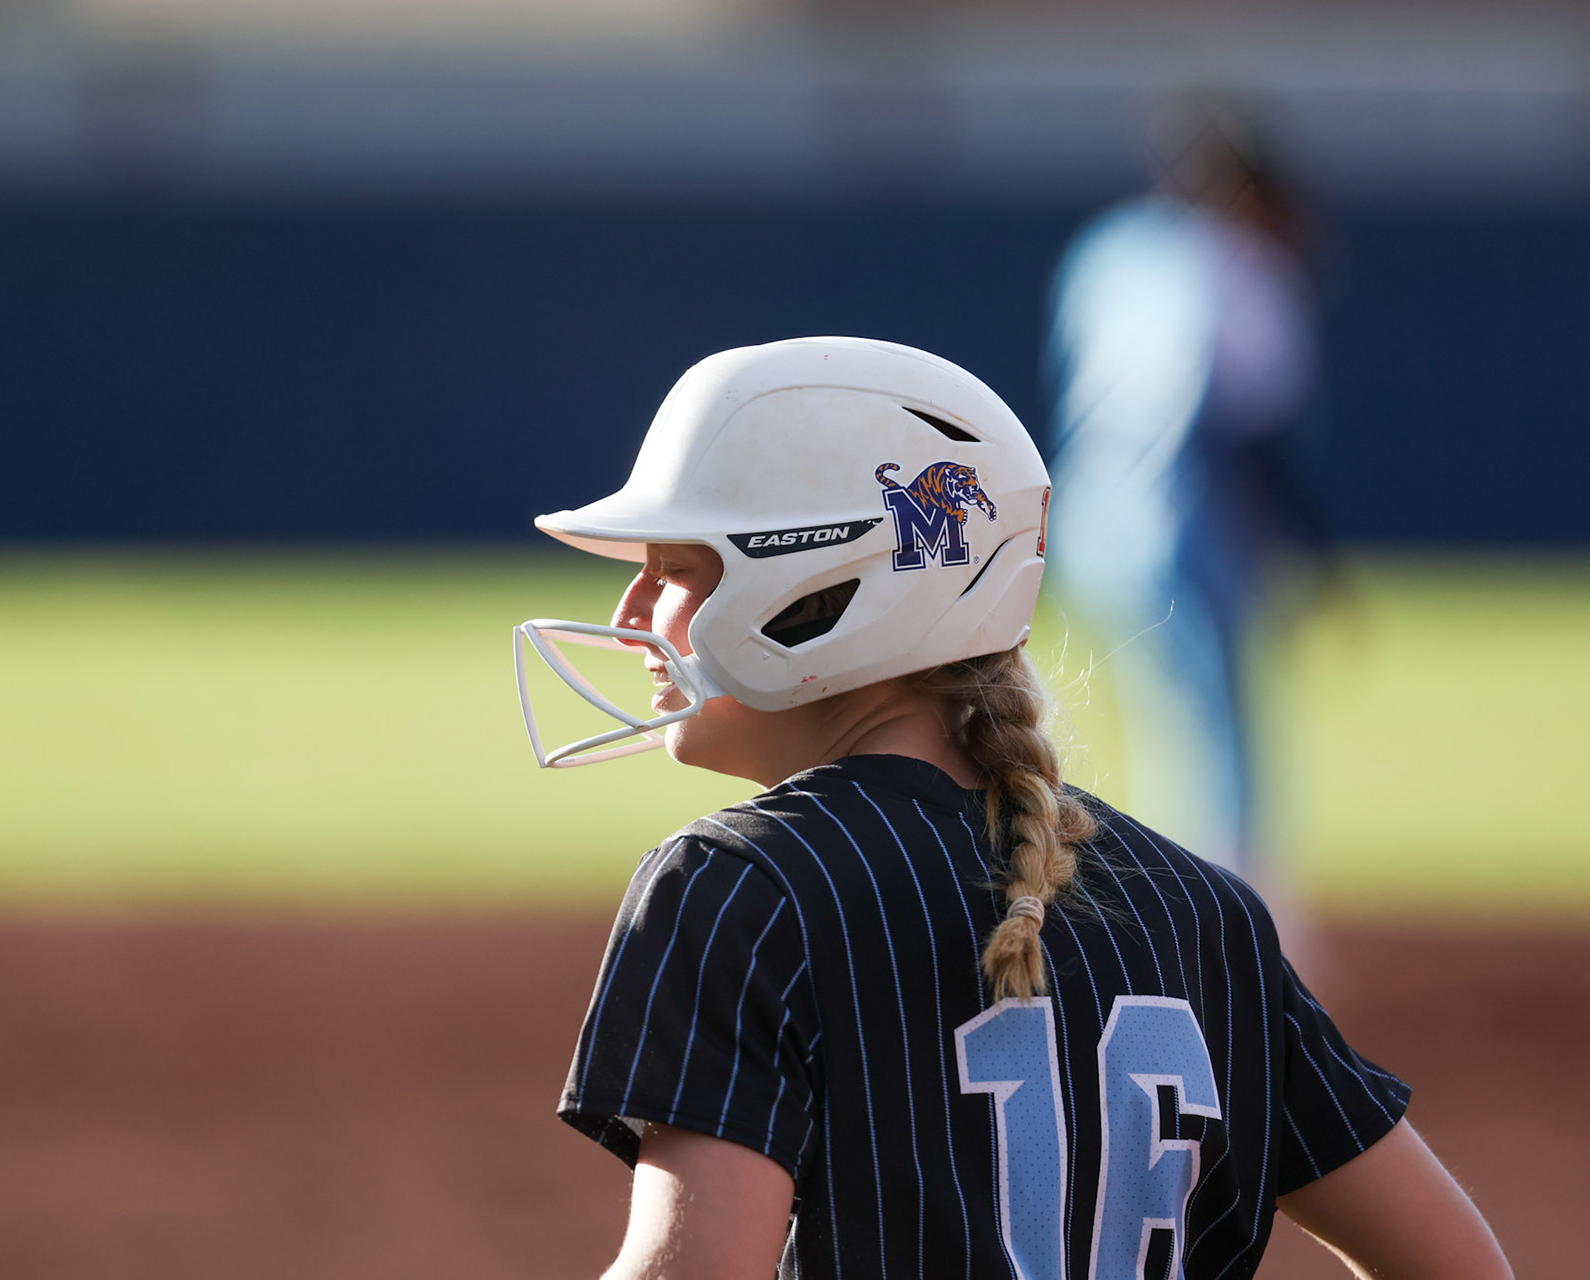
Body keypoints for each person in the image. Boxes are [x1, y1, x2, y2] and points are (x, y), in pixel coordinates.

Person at [514, 337, 1508, 1280]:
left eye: (675, 569)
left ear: (816, 583)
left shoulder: (740, 887)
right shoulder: (1208, 911)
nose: (629, 616)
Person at [1046, 103, 1332, 879]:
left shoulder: (1109, 250)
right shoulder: (1240, 264)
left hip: (1090, 512)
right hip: (1185, 514)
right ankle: (1234, 910)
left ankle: (1166, 896)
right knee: (1220, 730)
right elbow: (1254, 431)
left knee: (1156, 719)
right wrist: (1309, 552)